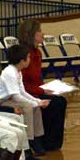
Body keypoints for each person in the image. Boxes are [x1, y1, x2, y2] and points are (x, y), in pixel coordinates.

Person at [18, 19, 67, 151]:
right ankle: (44, 140)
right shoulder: (23, 54)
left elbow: (37, 79)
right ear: (31, 33)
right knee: (54, 103)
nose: (42, 33)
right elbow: (21, 83)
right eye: (39, 30)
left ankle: (53, 142)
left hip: (36, 91)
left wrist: (45, 89)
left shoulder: (37, 53)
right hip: (26, 93)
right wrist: (42, 92)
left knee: (60, 100)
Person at [0, 45, 50, 156]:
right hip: (0, 102)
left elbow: (22, 92)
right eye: (28, 57)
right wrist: (34, 103)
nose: (30, 59)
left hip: (9, 98)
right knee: (27, 107)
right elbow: (16, 96)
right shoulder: (10, 72)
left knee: (35, 107)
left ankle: (36, 138)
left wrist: (37, 101)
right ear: (22, 60)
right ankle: (28, 144)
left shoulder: (17, 71)